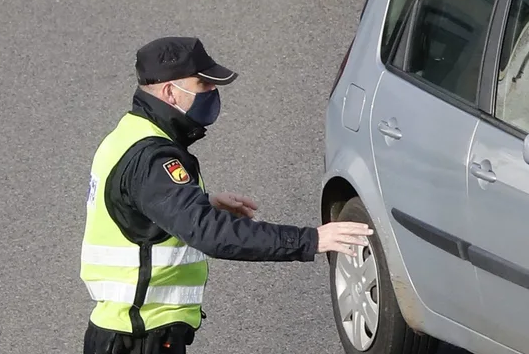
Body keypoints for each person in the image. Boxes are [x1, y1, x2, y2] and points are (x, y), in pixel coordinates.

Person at [81, 37, 372, 353]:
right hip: (139, 339)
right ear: (169, 92)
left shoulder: (129, 134)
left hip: (127, 334)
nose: (212, 92)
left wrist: (201, 201)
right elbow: (209, 233)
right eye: (202, 84)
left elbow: (134, 209)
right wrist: (311, 240)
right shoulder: (154, 159)